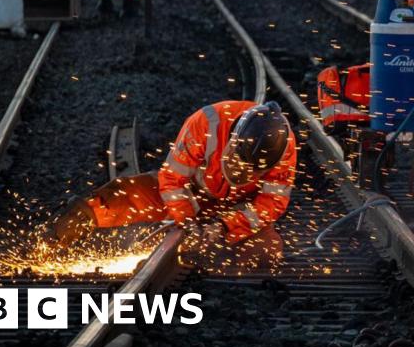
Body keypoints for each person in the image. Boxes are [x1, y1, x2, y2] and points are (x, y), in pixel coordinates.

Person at [51, 100, 295, 269]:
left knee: (267, 251)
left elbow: (271, 204)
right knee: (127, 194)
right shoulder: (207, 122)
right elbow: (172, 180)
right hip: (191, 194)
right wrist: (189, 222)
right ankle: (60, 234)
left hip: (236, 209)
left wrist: (223, 227)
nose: (239, 172)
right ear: (232, 139)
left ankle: (214, 270)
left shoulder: (284, 149)